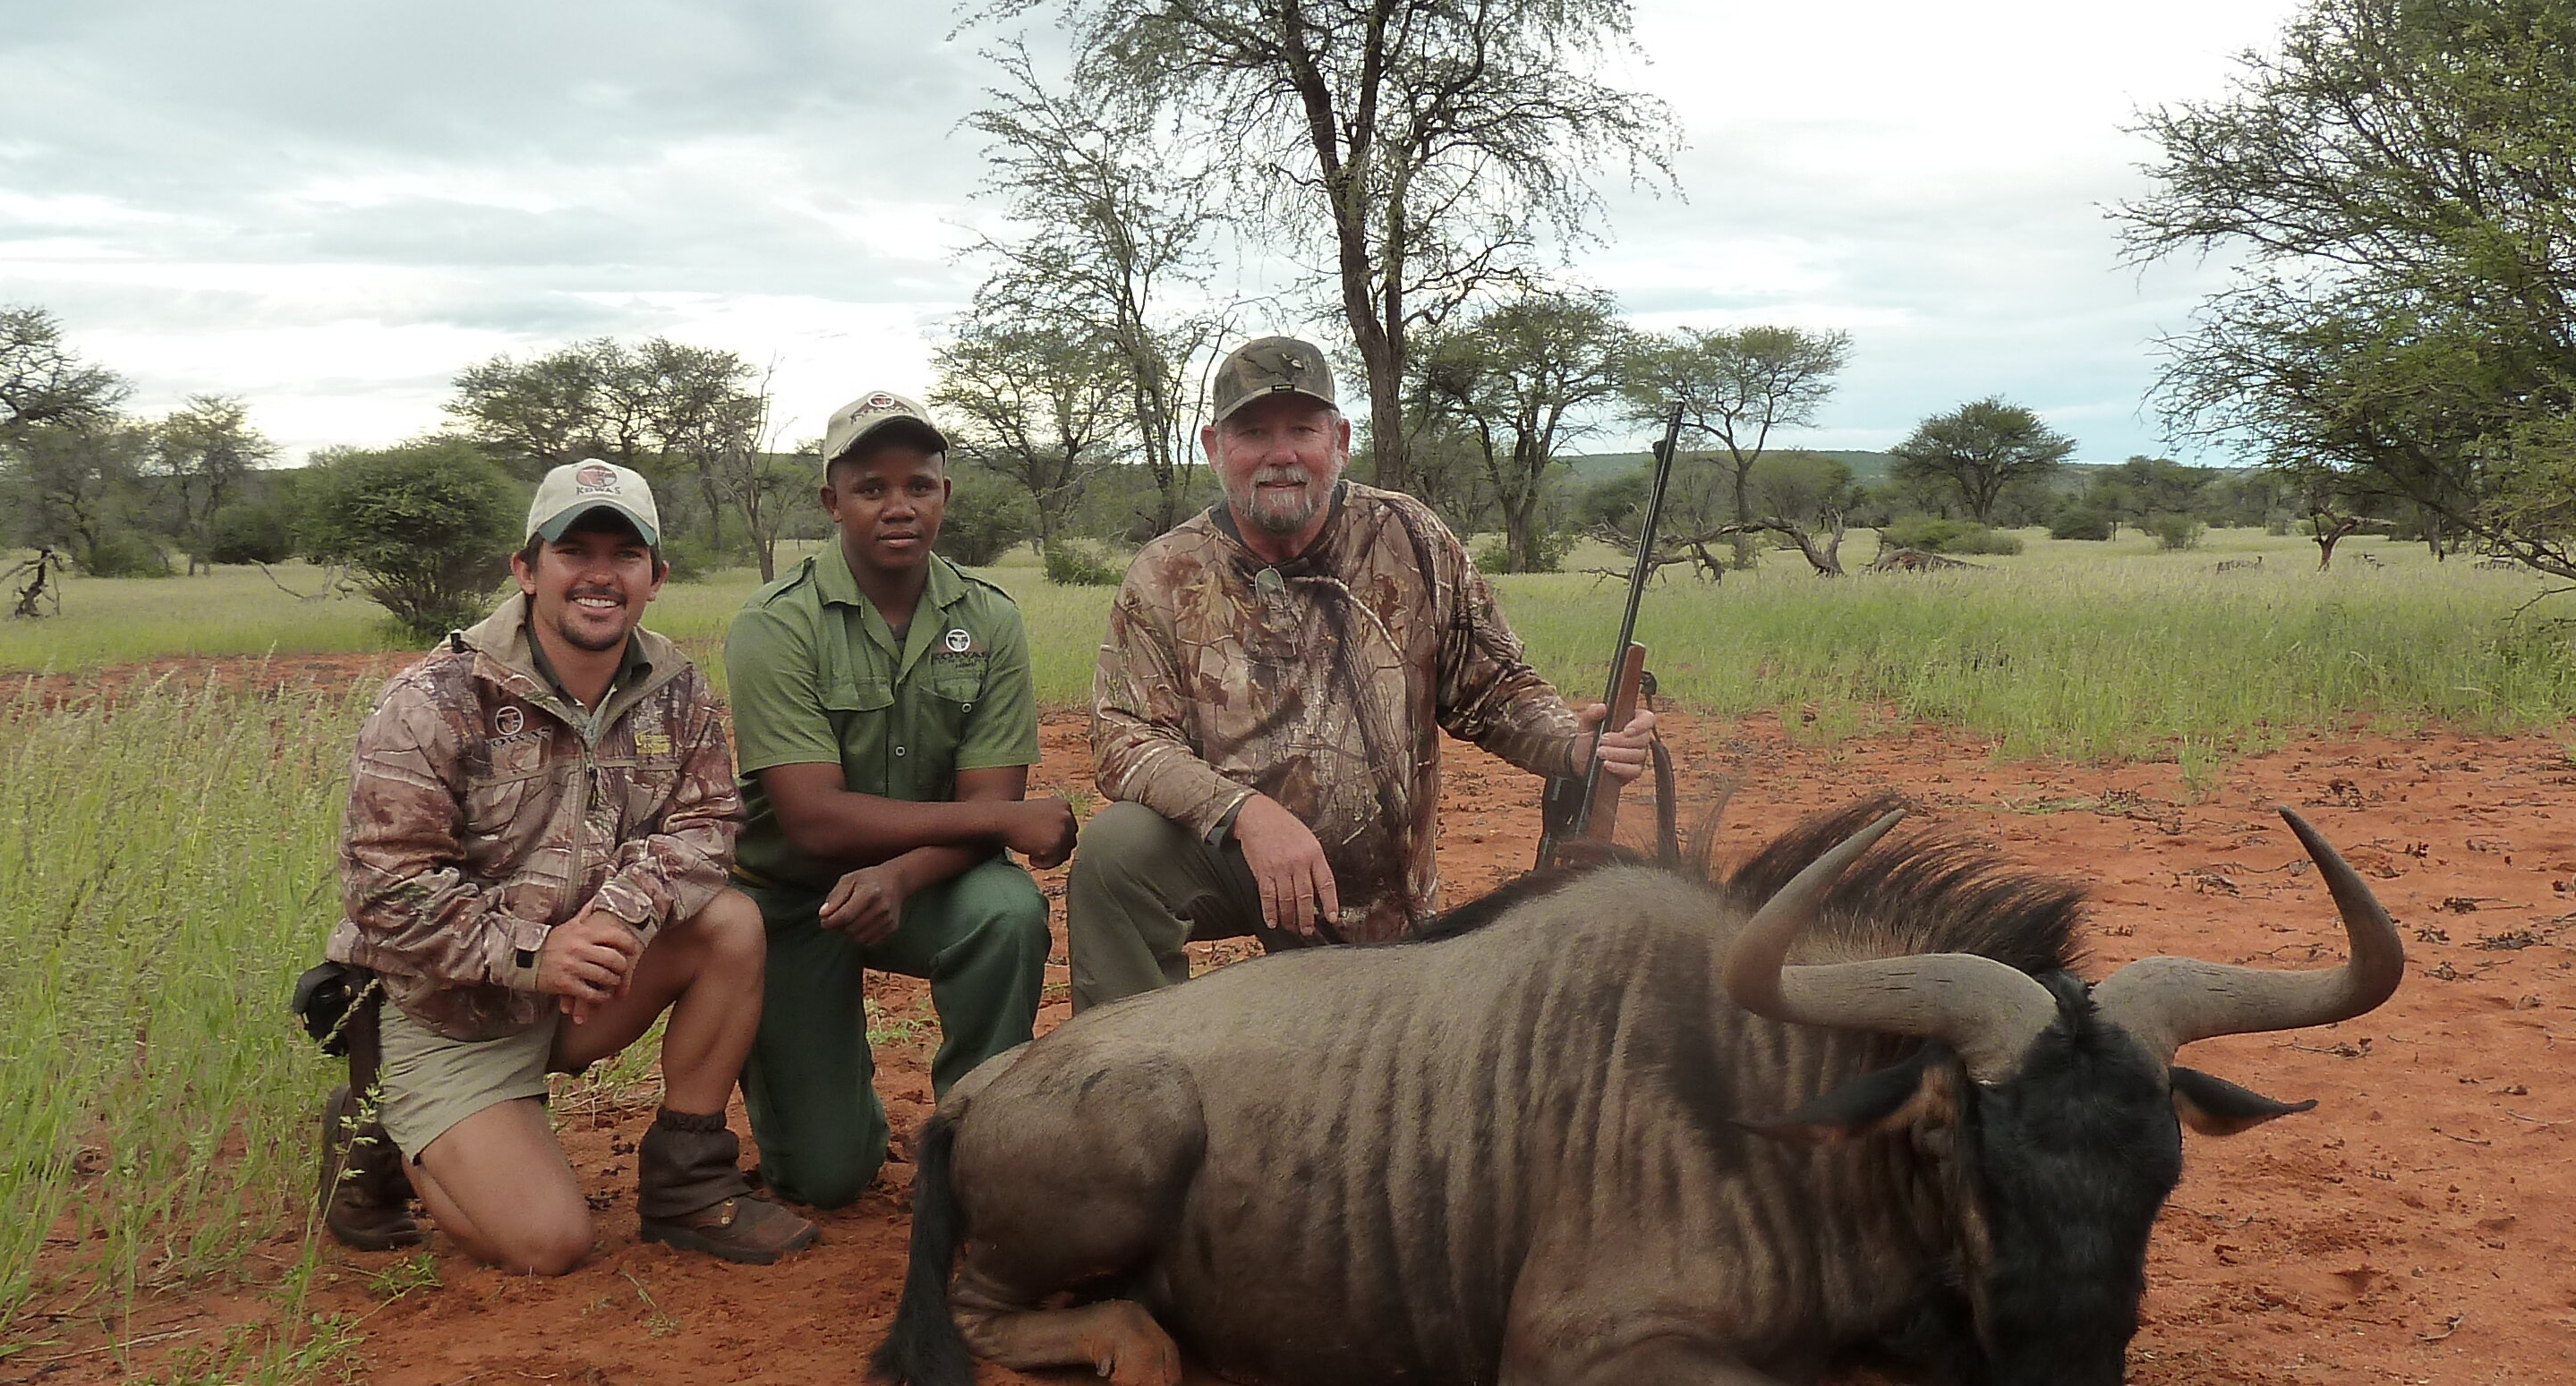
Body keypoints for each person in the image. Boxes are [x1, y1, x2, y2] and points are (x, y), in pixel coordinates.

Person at [325, 455, 807, 1271]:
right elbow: (386, 890)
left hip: (585, 987)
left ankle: (688, 1182)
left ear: (655, 576)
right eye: (573, 551)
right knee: (550, 1244)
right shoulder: (435, 697)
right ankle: (376, 1131)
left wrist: (620, 914)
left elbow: (709, 824)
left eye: (623, 556)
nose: (598, 575)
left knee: (730, 923)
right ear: (527, 569)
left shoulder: (677, 689)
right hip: (452, 1011)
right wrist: (535, 954)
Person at [1069, 336, 1654, 1007]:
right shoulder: (1166, 571)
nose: (1280, 454)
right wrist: (1246, 815)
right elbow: (1126, 739)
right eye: (1253, 432)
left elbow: (1494, 686)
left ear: (1340, 439)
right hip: (1240, 862)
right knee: (1117, 854)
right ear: (1213, 447)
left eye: (1302, 430)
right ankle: (1131, 1075)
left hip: (1385, 900)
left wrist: (1576, 744)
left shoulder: (1410, 535)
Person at [724, 391, 1074, 1205]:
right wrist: (1003, 820)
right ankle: (834, 1114)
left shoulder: (988, 619)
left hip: (926, 885)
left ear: (945, 494)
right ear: (831, 502)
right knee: (825, 1176)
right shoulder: (776, 623)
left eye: (918, 485)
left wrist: (904, 877)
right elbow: (812, 819)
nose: (898, 507)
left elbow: (991, 800)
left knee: (1008, 912)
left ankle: (975, 1149)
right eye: (870, 488)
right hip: (793, 902)